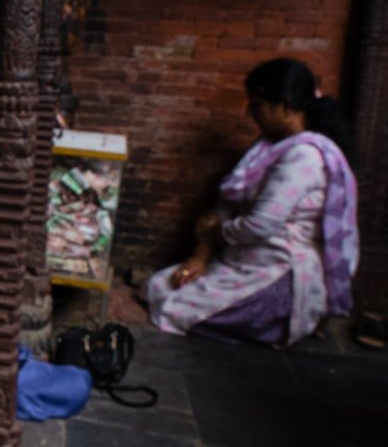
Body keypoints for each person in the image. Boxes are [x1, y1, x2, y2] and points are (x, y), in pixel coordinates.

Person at [145, 58, 358, 347]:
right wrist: (201, 255)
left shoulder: (303, 157)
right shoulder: (269, 148)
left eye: (257, 106)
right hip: (244, 260)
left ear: (283, 106)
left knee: (172, 309)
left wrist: (216, 232)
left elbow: (260, 225)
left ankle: (279, 322)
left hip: (278, 271)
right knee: (157, 287)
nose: (249, 114)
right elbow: (229, 201)